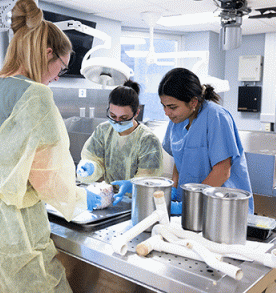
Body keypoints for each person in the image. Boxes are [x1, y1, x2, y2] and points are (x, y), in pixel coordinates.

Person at [0, 0, 101, 293]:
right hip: (9, 233)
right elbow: (46, 180)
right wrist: (89, 199)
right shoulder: (36, 96)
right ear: (49, 53)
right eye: (62, 66)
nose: (58, 76)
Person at [158, 67, 254, 215]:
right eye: (163, 106)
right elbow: (179, 160)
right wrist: (173, 189)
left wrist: (192, 203)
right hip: (190, 205)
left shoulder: (216, 117)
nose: (167, 112)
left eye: (172, 107)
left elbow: (222, 171)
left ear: (193, 102)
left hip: (221, 207)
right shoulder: (177, 120)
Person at [76, 80, 163, 205]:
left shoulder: (148, 140)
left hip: (138, 202)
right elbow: (94, 160)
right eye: (112, 115)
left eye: (123, 118)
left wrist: (132, 185)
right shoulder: (103, 131)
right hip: (107, 198)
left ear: (136, 113)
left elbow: (148, 180)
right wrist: (90, 168)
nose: (117, 121)